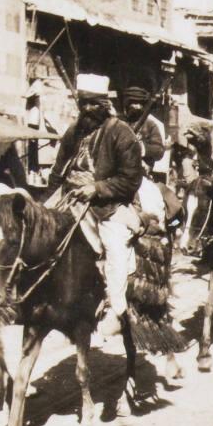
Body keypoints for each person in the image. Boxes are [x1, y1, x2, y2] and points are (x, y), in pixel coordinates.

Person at [47, 74, 143, 336]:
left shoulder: (121, 133)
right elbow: (58, 170)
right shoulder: (74, 131)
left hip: (109, 205)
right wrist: (48, 199)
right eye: (82, 103)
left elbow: (131, 179)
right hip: (70, 197)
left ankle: (115, 307)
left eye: (92, 103)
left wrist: (97, 188)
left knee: (114, 247)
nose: (86, 109)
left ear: (104, 104)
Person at [122, 86, 169, 183]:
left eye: (139, 103)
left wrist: (142, 147)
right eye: (132, 102)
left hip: (142, 175)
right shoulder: (119, 123)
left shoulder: (150, 124)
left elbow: (159, 150)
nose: (136, 106)